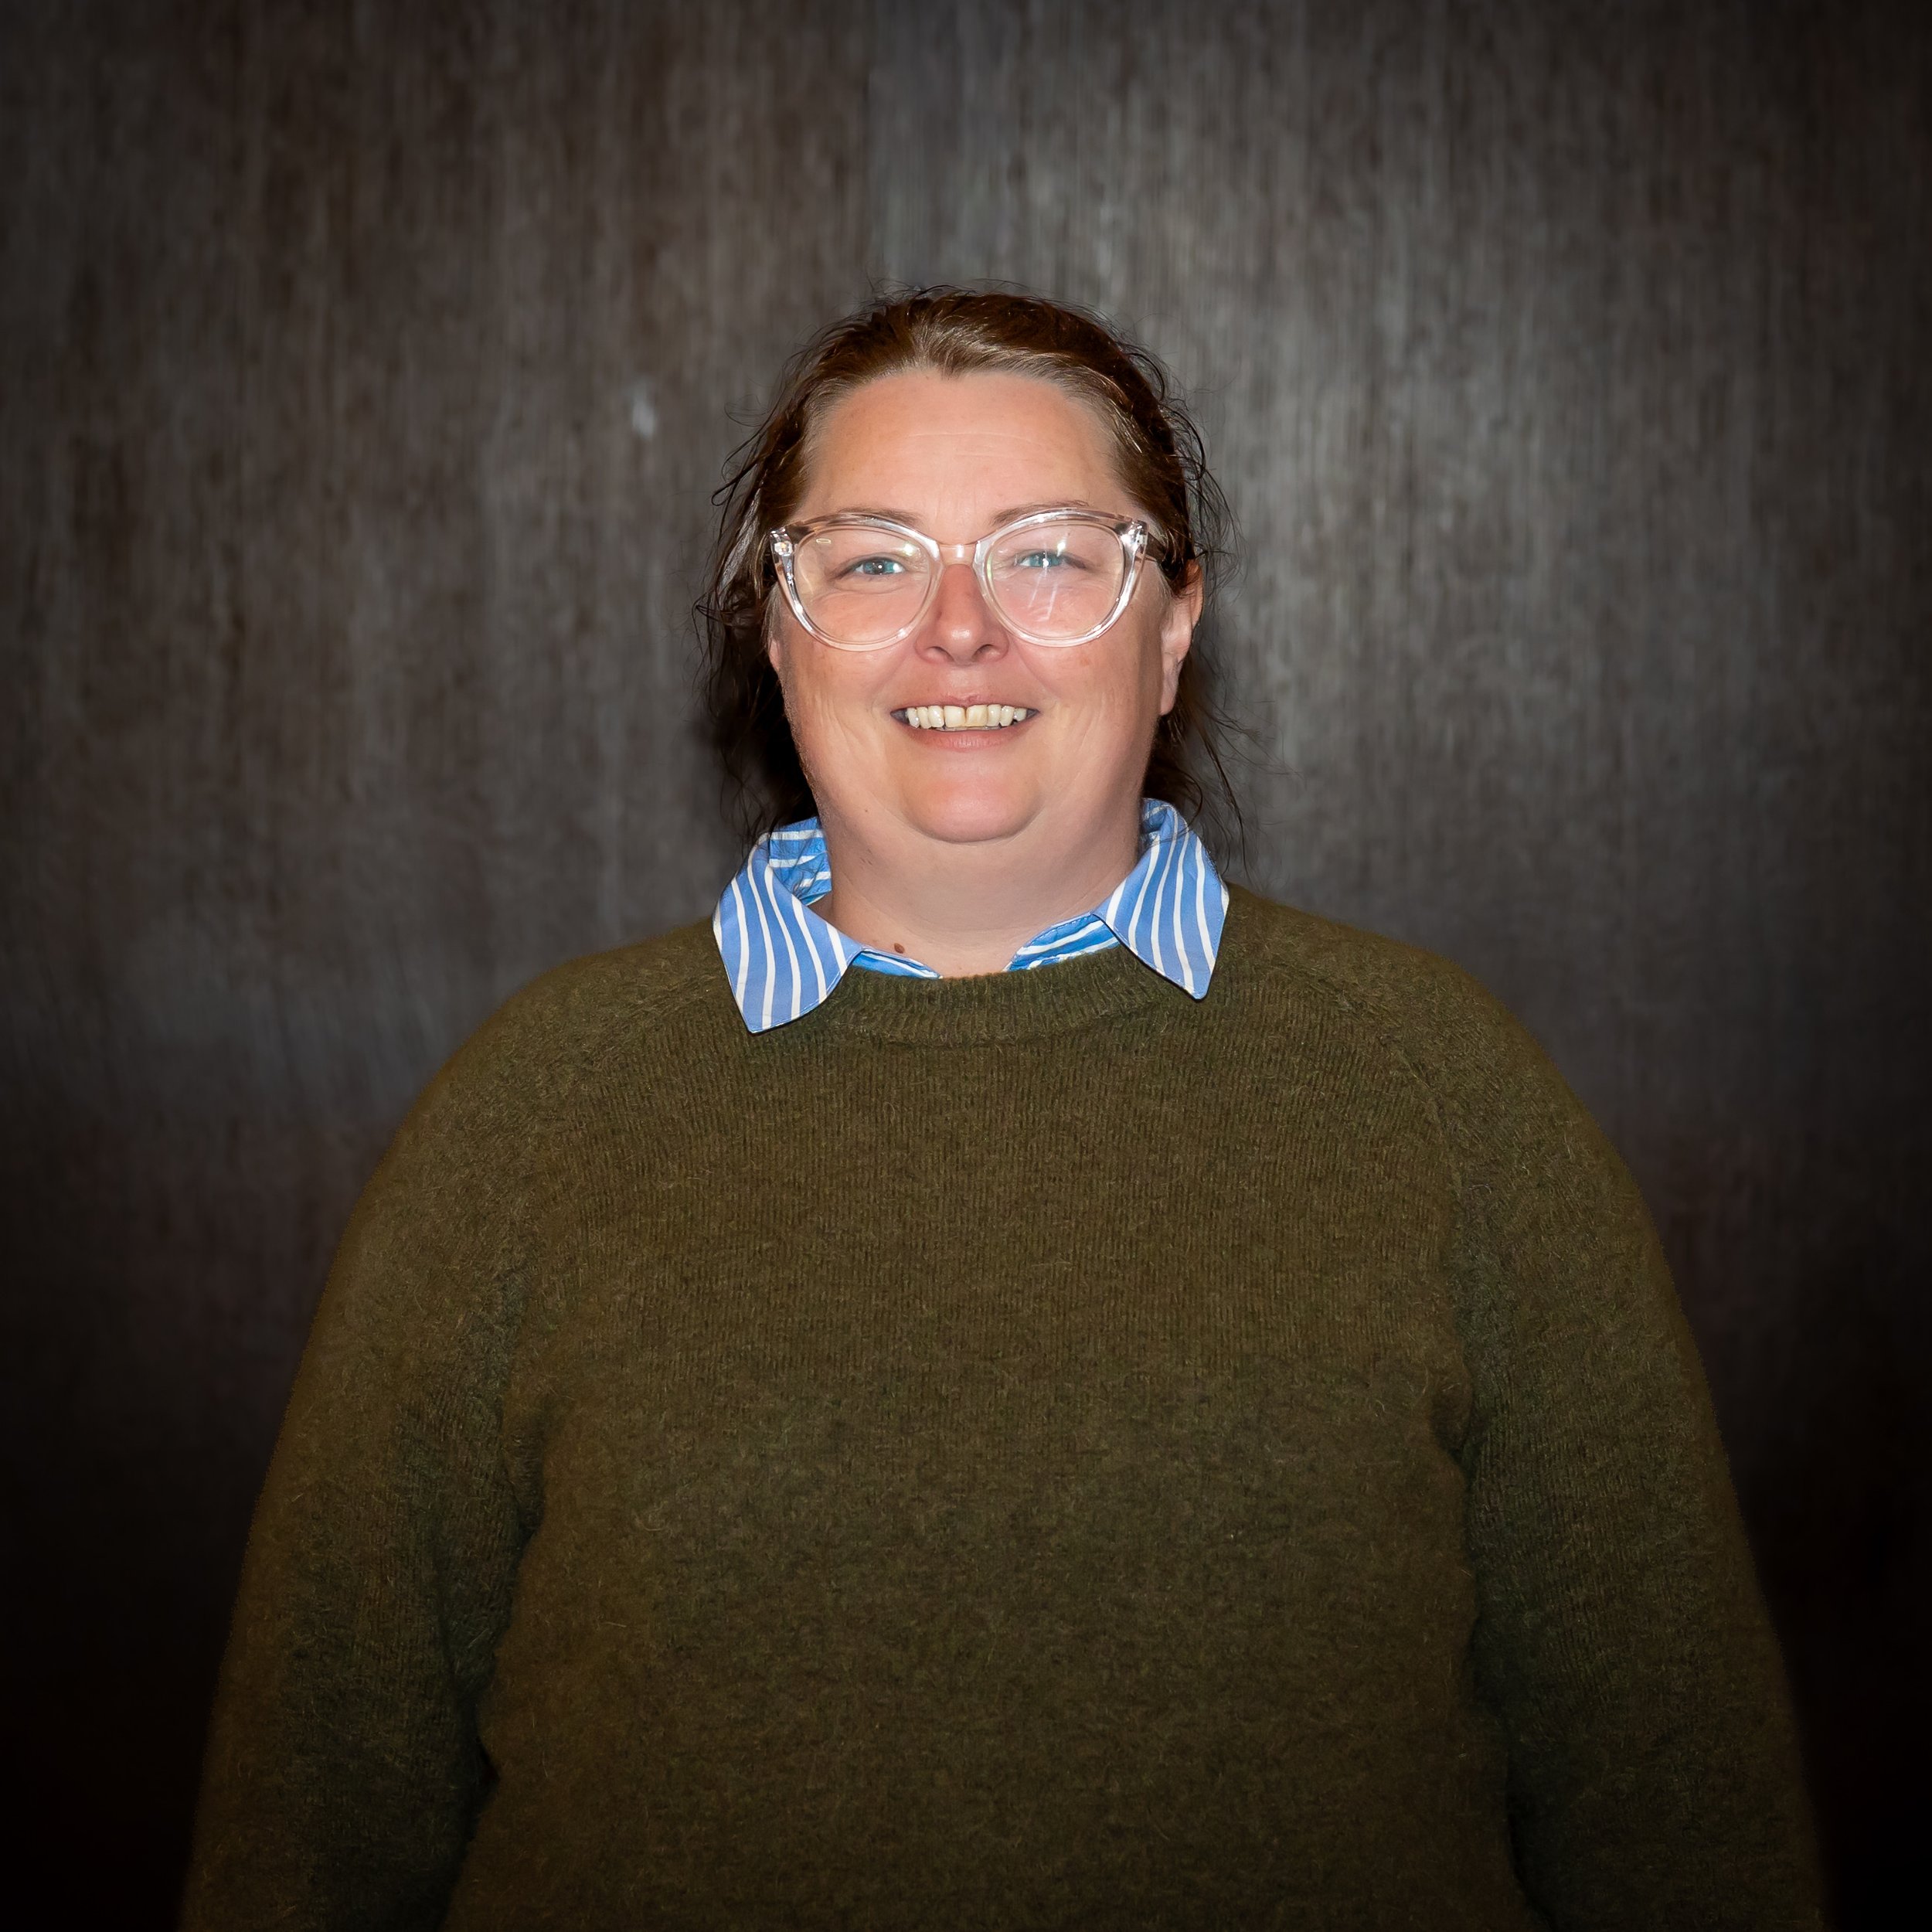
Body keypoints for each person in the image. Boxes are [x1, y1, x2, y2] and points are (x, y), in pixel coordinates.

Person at [182, 290, 1827, 1930]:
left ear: (1172, 625)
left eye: (1047, 551)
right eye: (873, 556)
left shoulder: (1437, 1096)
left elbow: (1675, 1803)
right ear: (775, 632)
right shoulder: (532, 1116)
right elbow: (311, 1824)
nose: (955, 627)